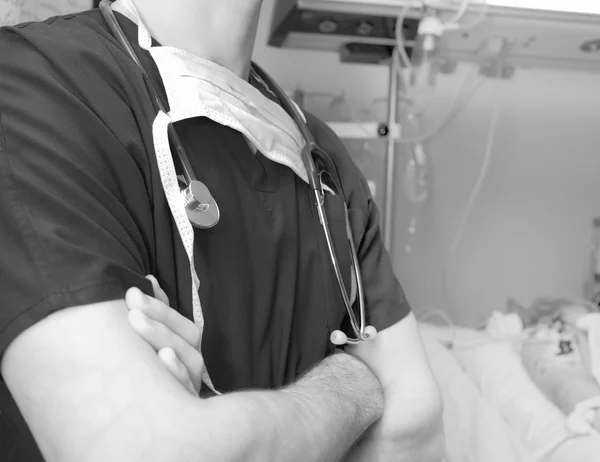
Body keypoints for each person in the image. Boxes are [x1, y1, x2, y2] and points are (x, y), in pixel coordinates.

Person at [0, 0, 444, 460]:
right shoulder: (33, 86)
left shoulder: (322, 158)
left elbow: (416, 432)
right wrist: (355, 385)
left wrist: (217, 425)